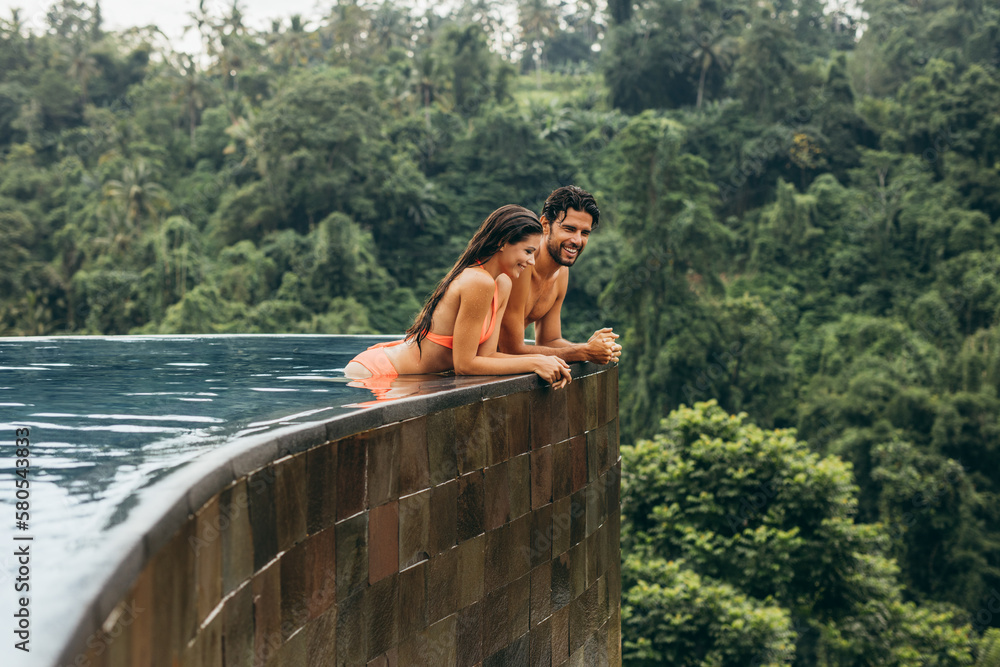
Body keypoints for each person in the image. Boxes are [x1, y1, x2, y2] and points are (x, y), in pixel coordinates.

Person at [345, 205, 573, 388]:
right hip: (378, 373)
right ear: (503, 243)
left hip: (401, 378)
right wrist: (534, 362)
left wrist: (545, 361)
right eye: (528, 252)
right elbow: (464, 365)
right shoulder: (478, 281)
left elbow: (489, 356)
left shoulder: (502, 283)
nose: (532, 261)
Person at [498, 185, 622, 364]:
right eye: (569, 229)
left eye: (584, 233)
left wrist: (596, 348)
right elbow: (510, 348)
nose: (577, 241)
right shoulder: (522, 266)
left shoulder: (562, 272)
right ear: (545, 225)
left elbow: (549, 340)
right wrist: (583, 352)